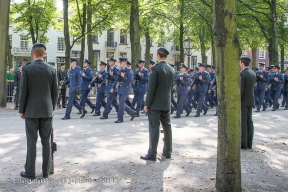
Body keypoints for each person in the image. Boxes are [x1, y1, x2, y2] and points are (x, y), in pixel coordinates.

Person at [19, 43, 58, 179]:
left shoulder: (27, 69)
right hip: (47, 110)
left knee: (31, 141)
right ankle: (46, 171)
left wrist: (21, 110)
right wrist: (51, 108)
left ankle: (30, 172)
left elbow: (23, 91)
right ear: (44, 54)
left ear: (33, 53)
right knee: (46, 141)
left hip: (31, 110)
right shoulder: (52, 69)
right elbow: (55, 93)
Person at [140, 47, 174, 161]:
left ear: (158, 55)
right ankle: (168, 152)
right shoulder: (171, 69)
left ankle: (152, 153)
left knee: (154, 127)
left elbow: (151, 88)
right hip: (166, 103)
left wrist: (147, 104)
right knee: (167, 127)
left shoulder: (155, 69)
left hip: (155, 104)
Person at [239, 56, 256, 149]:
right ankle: (249, 143)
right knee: (250, 121)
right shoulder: (252, 73)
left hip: (243, 101)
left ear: (242, 63)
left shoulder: (243, 74)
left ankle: (244, 144)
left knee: (244, 121)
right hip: (250, 100)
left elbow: (241, 89)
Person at [115, 58, 137, 123]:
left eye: (121, 63)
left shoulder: (129, 70)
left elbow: (131, 80)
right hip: (121, 88)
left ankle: (120, 118)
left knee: (121, 104)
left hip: (126, 88)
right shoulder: (121, 70)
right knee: (121, 103)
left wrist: (124, 77)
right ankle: (132, 112)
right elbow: (118, 79)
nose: (120, 64)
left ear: (125, 62)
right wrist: (114, 86)